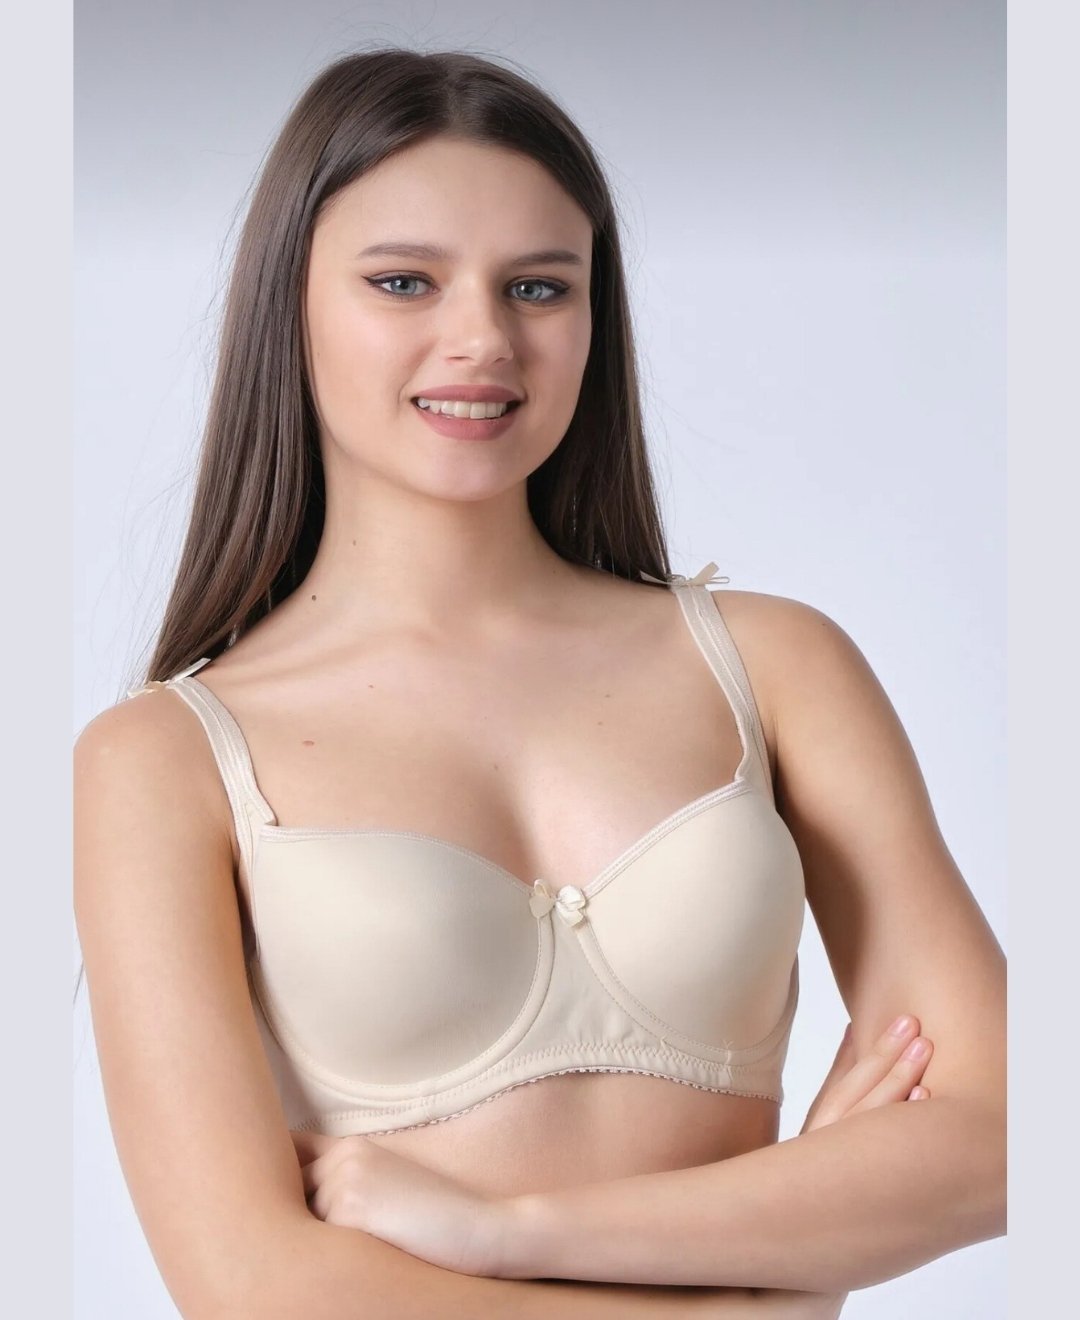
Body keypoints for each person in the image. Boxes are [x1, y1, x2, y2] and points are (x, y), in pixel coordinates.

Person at [73, 47, 1005, 1318]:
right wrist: (755, 1297)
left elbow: (1003, 1131)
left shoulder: (775, 668)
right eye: (403, 281)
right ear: (289, 305)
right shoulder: (165, 760)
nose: (482, 339)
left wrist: (507, 1231)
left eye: (539, 287)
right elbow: (253, 1286)